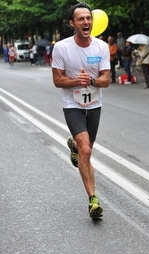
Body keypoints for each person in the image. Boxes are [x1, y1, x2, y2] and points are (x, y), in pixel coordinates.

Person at [51, 2, 110, 219]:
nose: (86, 22)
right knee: (86, 151)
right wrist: (78, 81)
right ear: (72, 23)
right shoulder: (62, 48)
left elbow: (106, 80)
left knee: (86, 148)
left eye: (88, 18)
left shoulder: (101, 47)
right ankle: (93, 200)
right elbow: (57, 80)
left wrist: (92, 80)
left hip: (94, 105)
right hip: (73, 105)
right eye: (81, 19)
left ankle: (73, 144)